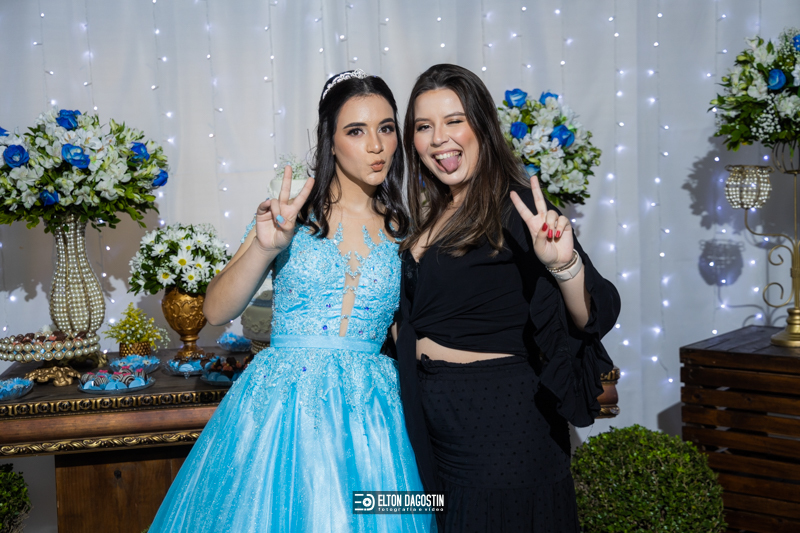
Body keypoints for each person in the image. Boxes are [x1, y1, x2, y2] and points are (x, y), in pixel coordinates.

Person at [149, 70, 434, 533]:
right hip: (281, 410)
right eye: (356, 131)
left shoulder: (408, 229)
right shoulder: (290, 215)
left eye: (385, 128)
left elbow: (411, 331)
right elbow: (216, 312)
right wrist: (265, 248)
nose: (376, 146)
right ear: (330, 141)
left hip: (374, 419)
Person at [395, 64, 620, 532]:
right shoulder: (433, 210)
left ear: (482, 125)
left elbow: (589, 316)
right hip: (439, 427)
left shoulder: (517, 206)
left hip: (500, 427)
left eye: (454, 120)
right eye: (423, 126)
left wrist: (564, 265)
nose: (439, 138)